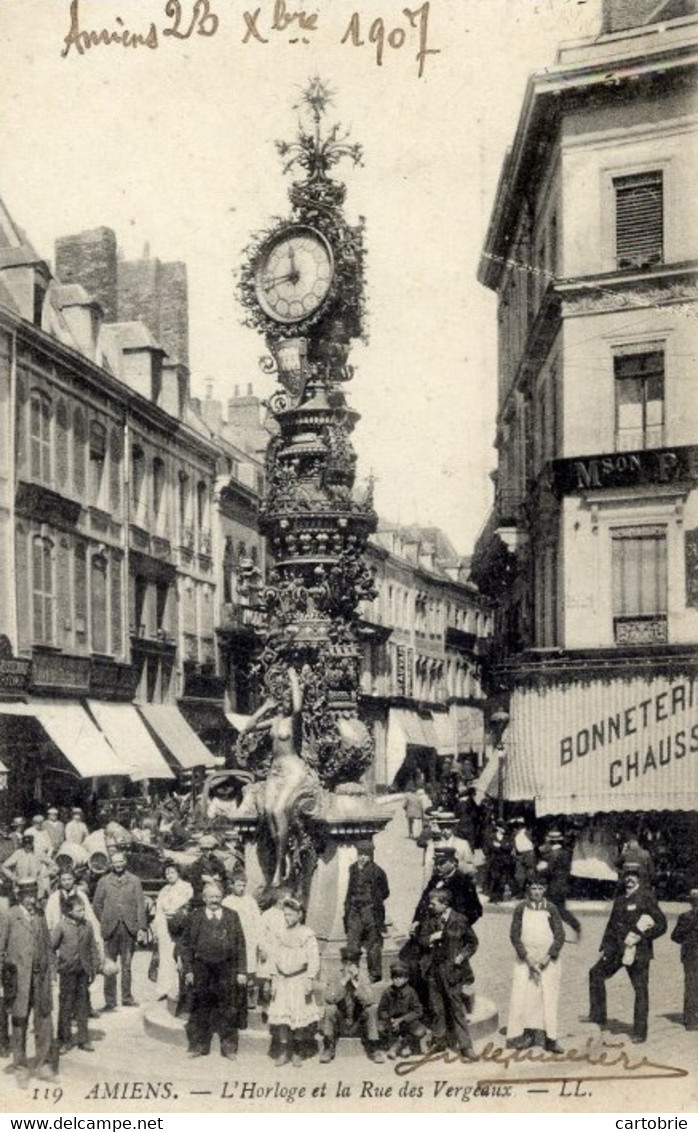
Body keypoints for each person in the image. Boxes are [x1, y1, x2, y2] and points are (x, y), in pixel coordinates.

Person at [237, 665, 321, 886]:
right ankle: (280, 853)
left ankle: (281, 862)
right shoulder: (274, 720)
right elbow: (248, 726)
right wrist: (265, 706)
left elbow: (299, 705)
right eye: (280, 698)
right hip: (275, 770)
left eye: (286, 699)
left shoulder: (294, 720)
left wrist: (294, 679)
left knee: (278, 810)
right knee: (266, 811)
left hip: (292, 767)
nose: (283, 702)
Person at [588, 865, 667, 1044]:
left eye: (633, 876)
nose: (629, 879)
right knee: (595, 974)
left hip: (638, 953)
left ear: (639, 879)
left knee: (640, 990)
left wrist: (642, 937)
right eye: (626, 876)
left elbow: (661, 924)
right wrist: (605, 946)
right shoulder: (620, 899)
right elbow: (611, 924)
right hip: (617, 950)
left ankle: (640, 1032)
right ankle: (598, 1017)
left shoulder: (646, 898)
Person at [179, 881, 247, 1060]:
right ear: (204, 898)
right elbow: (185, 945)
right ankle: (199, 1044)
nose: (215, 900)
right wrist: (188, 970)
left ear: (222, 897)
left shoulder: (232, 916)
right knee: (201, 1007)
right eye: (211, 897)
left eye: (218, 897)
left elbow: (241, 944)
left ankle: (229, 1046)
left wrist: (242, 971)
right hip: (201, 968)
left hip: (227, 969)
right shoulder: (195, 917)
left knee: (228, 1007)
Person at [0, 878, 56, 1086]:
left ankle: (42, 1065)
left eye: (34, 894)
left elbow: (48, 945)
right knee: (19, 1022)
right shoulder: (10, 916)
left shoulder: (40, 915)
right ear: (20, 895)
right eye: (27, 895)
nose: (31, 899)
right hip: (17, 979)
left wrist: (51, 972)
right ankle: (21, 1067)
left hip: (39, 978)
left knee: (43, 1020)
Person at [506, 872, 565, 1053]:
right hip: (526, 960)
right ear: (528, 889)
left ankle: (550, 1038)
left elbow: (560, 935)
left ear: (545, 889)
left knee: (548, 996)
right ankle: (527, 1035)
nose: (537, 892)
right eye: (533, 888)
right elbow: (515, 935)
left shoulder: (551, 908)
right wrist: (527, 958)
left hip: (548, 961)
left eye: (540, 888)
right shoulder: (521, 908)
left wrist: (548, 957)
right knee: (525, 996)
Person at [417, 889, 478, 1060]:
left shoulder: (459, 920)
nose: (430, 906)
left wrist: (462, 956)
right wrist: (430, 938)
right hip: (433, 970)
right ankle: (440, 1041)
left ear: (444, 904)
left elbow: (472, 942)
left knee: (457, 1008)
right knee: (437, 1008)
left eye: (433, 903)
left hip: (452, 971)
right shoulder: (430, 920)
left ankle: (466, 1047)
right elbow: (420, 940)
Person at [267, 896, 320, 1067]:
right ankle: (284, 1050)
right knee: (283, 1018)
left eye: (291, 915)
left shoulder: (307, 934)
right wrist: (273, 977)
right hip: (283, 980)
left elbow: (313, 958)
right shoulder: (280, 933)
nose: (287, 918)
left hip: (299, 979)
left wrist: (310, 978)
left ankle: (297, 1051)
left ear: (299, 915)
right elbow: (273, 956)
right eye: (285, 915)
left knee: (298, 1017)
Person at [92, 850, 148, 1010]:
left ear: (125, 862)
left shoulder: (135, 881)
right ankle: (110, 1001)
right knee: (109, 966)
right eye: (115, 862)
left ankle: (126, 997)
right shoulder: (104, 881)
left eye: (120, 861)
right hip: (110, 929)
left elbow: (140, 905)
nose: (118, 865)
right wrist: (105, 920)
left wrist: (141, 927)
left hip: (128, 929)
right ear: (111, 863)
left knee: (127, 966)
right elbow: (97, 905)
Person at [51, 894, 101, 1054]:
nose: (83, 913)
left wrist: (94, 967)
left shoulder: (87, 925)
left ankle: (83, 1039)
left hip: (83, 972)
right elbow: (50, 947)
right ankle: (64, 1040)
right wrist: (54, 967)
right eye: (79, 910)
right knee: (66, 1006)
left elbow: (93, 947)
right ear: (69, 912)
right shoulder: (61, 926)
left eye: (83, 910)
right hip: (67, 972)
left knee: (82, 1006)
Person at [319, 946, 384, 1064]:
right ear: (342, 963)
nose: (349, 967)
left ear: (357, 965)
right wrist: (344, 981)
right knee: (330, 1008)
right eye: (346, 963)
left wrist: (355, 984)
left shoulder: (363, 977)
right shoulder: (336, 975)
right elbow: (328, 998)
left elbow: (370, 1000)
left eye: (352, 964)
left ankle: (374, 1047)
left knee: (371, 1010)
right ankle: (328, 1047)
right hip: (341, 1020)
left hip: (357, 1020)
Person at [344, 840, 390, 984]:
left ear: (371, 855)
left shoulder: (377, 871)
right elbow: (350, 889)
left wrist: (374, 901)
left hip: (370, 910)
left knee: (373, 942)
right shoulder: (352, 869)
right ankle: (352, 970)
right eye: (360, 854)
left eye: (366, 855)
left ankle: (375, 973)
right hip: (354, 910)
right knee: (352, 940)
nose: (362, 857)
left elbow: (385, 891)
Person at [413, 845, 482, 930]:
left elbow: (475, 910)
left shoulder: (463, 882)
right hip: (432, 927)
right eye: (436, 863)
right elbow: (423, 902)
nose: (437, 866)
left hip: (454, 931)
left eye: (442, 863)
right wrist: (417, 920)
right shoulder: (435, 880)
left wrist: (457, 926)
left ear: (454, 863)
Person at [152, 861, 193, 1000]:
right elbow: (158, 910)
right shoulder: (164, 890)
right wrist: (156, 929)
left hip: (179, 925)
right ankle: (164, 989)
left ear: (178, 873)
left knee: (178, 955)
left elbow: (186, 905)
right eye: (167, 873)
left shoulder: (186, 887)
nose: (169, 875)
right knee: (165, 956)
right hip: (164, 926)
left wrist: (174, 912)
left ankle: (177, 989)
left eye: (172, 872)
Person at [377, 961, 428, 1059]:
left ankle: (399, 1047)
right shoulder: (387, 992)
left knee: (420, 1031)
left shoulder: (411, 992)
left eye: (400, 978)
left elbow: (418, 1011)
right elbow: (381, 1010)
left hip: (407, 1021)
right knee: (383, 1028)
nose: (397, 980)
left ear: (406, 979)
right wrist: (389, 1018)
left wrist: (402, 1019)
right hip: (393, 1022)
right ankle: (401, 1046)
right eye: (394, 978)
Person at [537, 829, 581, 936]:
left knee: (550, 908)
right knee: (558, 909)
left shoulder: (552, 855)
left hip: (554, 885)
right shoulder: (566, 853)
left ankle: (561, 929)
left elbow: (549, 871)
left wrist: (540, 870)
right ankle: (572, 926)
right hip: (563, 884)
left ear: (551, 841)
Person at [671, 886, 698, 1031]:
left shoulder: (685, 917)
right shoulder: (685, 917)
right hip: (692, 955)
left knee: (691, 986)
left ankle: (691, 1020)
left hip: (690, 954)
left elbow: (675, 936)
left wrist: (687, 940)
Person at [2, 829, 55, 901]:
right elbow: (4, 866)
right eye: (26, 844)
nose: (28, 846)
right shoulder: (18, 853)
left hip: (36, 885)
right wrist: (13, 877)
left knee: (37, 902)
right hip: (21, 884)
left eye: (30, 843)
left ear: (32, 843)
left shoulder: (38, 852)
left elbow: (53, 865)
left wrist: (45, 874)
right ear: (23, 844)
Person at [422, 812, 476, 881]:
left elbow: (471, 868)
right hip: (439, 884)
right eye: (442, 827)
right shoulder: (432, 844)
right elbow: (428, 868)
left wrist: (457, 864)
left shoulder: (463, 844)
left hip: (458, 883)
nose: (445, 830)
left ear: (454, 827)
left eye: (448, 827)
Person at [187, 834, 229, 908]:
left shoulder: (218, 863)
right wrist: (203, 880)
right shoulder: (196, 864)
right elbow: (194, 883)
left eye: (211, 849)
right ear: (202, 850)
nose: (209, 852)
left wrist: (216, 880)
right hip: (202, 894)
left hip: (217, 891)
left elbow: (225, 880)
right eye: (206, 849)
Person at [484, 820, 513, 902]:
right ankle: (493, 897)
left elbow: (509, 847)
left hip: (505, 862)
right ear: (498, 828)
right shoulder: (491, 837)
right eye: (502, 827)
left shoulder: (507, 837)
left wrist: (499, 846)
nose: (504, 829)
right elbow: (487, 848)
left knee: (503, 880)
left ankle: (500, 896)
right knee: (494, 879)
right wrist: (500, 847)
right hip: (494, 861)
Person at [510, 816, 536, 896]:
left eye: (520, 824)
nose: (518, 826)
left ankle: (532, 892)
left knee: (530, 873)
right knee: (519, 874)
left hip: (529, 853)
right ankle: (521, 892)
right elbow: (513, 844)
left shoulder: (527, 832)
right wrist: (514, 850)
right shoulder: (514, 834)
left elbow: (533, 841)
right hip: (520, 854)